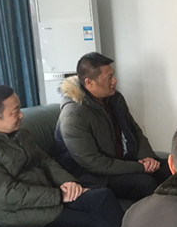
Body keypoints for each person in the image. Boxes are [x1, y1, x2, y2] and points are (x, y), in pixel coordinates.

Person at [0, 85, 123, 227]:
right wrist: (58, 195)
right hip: (20, 214)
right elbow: (7, 194)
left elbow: (45, 161)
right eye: (15, 112)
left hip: (51, 195)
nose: (21, 115)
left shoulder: (20, 134)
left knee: (103, 196)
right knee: (101, 222)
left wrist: (68, 182)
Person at [55, 52, 170, 200]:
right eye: (109, 78)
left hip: (121, 161)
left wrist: (147, 157)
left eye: (113, 75)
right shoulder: (73, 115)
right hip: (93, 175)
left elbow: (134, 130)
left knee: (172, 169)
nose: (114, 81)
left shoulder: (114, 98)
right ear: (89, 83)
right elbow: (93, 163)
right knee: (145, 183)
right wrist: (141, 167)